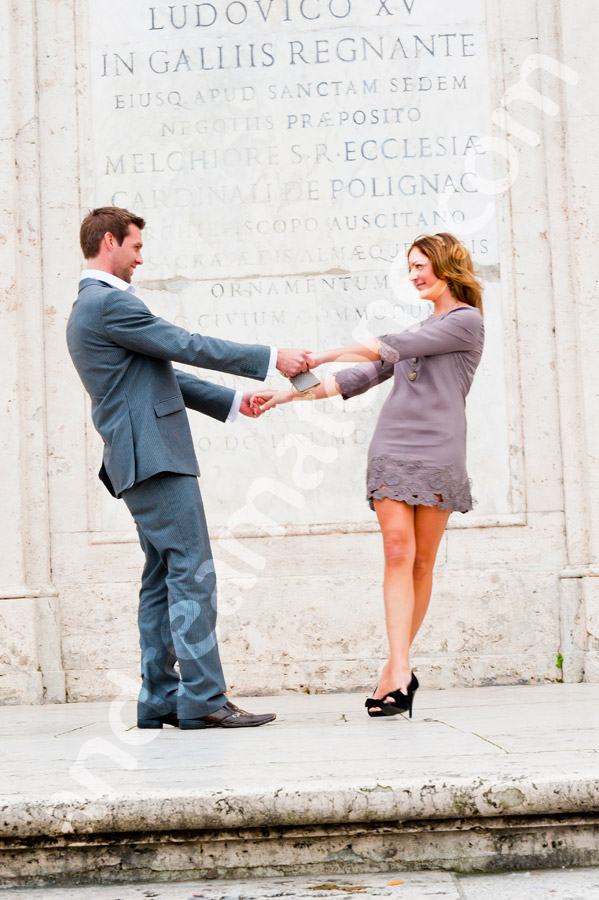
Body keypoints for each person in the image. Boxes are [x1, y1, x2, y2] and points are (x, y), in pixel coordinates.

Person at [67, 207, 311, 730]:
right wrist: (272, 358)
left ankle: (160, 696)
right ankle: (202, 698)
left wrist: (231, 400)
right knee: (194, 572)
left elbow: (158, 372)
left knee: (163, 578)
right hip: (154, 456)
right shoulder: (108, 304)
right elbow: (183, 343)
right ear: (109, 242)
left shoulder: (95, 308)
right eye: (135, 247)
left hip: (138, 457)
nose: (140, 257)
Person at [251, 233, 484, 719]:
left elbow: (389, 346)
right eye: (411, 267)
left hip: (440, 452)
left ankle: (392, 672)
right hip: (393, 449)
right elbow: (357, 378)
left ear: (445, 266)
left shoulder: (464, 322)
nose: (414, 275)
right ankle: (401, 670)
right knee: (399, 551)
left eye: (421, 266)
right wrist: (287, 395)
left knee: (423, 564)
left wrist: (323, 353)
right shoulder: (422, 327)